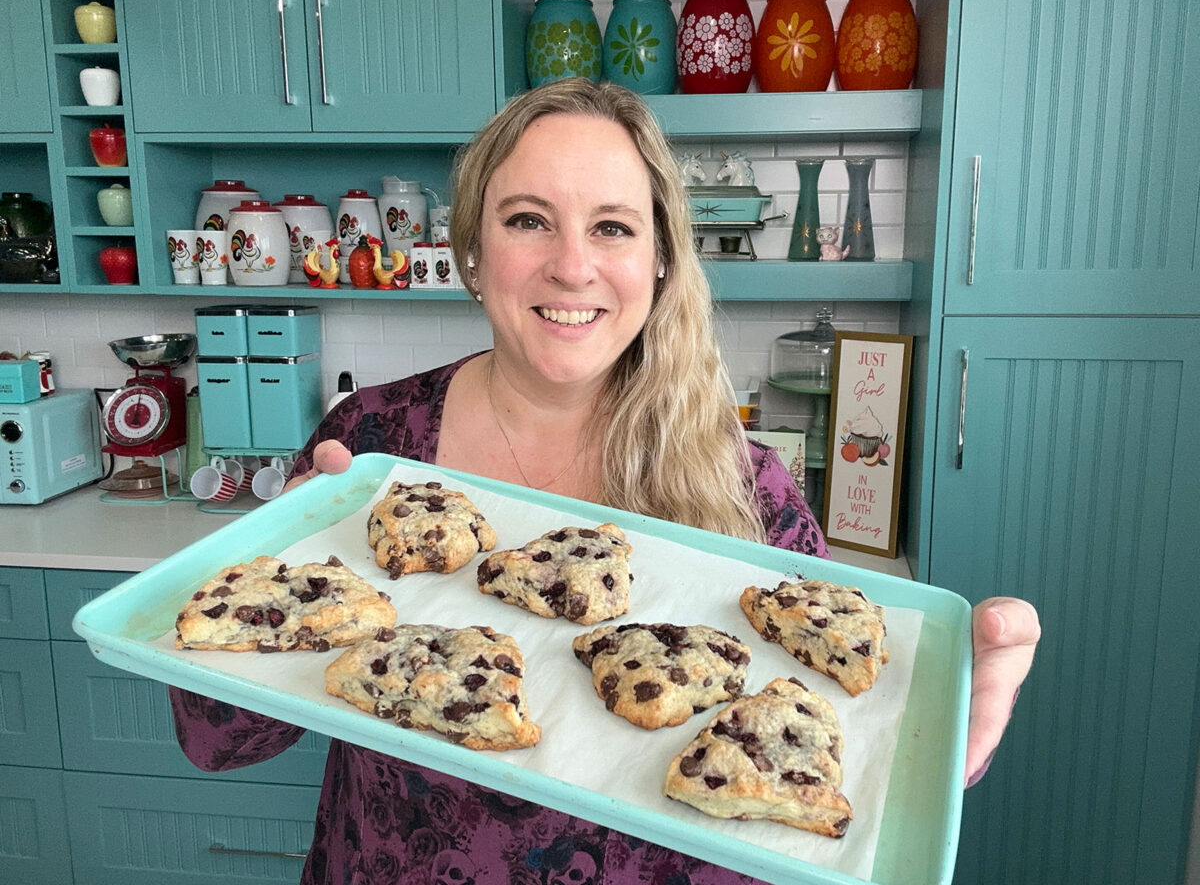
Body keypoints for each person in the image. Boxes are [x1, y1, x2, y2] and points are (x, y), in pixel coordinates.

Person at [171, 78, 1040, 884]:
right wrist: (247, 580)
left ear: (661, 258)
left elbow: (838, 743)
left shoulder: (749, 489)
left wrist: (951, 724)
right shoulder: (367, 454)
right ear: (471, 250)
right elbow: (216, 742)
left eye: (614, 227)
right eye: (527, 220)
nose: (574, 267)